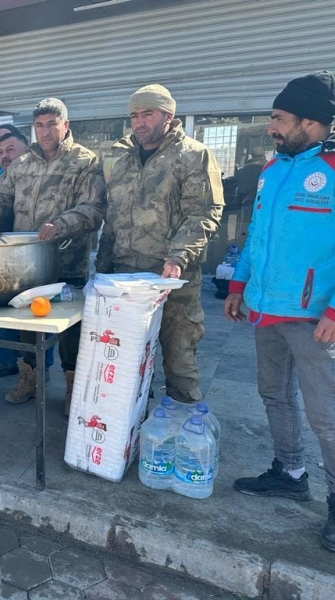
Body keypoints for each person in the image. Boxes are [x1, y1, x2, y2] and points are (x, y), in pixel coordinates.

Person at [224, 71, 335, 552]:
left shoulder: (331, 168)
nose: (271, 127)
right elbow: (255, 237)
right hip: (265, 308)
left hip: (316, 318)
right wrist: (238, 284)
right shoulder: (272, 171)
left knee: (327, 416)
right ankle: (290, 471)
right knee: (274, 394)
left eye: (279, 118)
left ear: (312, 122)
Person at [97, 84, 224, 405]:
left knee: (179, 360)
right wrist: (101, 270)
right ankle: (132, 434)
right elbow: (112, 218)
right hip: (127, 280)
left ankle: (180, 434)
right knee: (127, 364)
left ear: (169, 116)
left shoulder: (193, 156)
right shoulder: (122, 161)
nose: (139, 122)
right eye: (134, 116)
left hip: (173, 281)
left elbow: (205, 211)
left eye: (147, 114)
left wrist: (179, 257)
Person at [0, 98, 107, 411]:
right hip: (28, 264)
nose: (45, 131)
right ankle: (30, 379)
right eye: (39, 125)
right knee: (27, 324)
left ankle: (72, 386)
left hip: (68, 263)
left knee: (70, 332)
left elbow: (95, 209)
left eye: (52, 124)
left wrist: (62, 224)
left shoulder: (85, 161)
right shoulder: (23, 162)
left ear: (66, 124)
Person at [0, 131, 35, 379]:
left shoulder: (37, 177)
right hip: (0, 258)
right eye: (0, 152)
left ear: (26, 149)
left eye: (10, 149)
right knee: (2, 311)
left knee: (34, 317)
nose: (5, 156)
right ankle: (5, 361)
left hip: (32, 258)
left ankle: (36, 370)